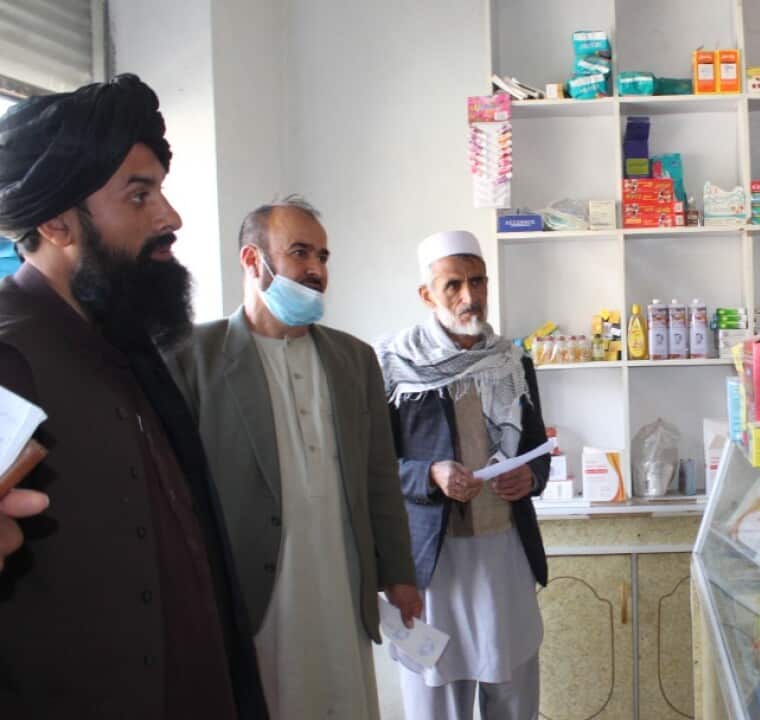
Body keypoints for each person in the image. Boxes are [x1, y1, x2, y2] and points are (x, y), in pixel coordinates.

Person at [0, 75, 267, 718]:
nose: (169, 217)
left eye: (160, 191)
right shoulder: (9, 354)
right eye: (138, 195)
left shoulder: (128, 344)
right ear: (56, 222)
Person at [166, 196, 421, 719]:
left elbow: (379, 474)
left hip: (339, 580)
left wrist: (398, 572)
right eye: (299, 253)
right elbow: (174, 491)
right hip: (252, 591)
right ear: (252, 260)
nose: (316, 270)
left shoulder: (354, 359)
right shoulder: (193, 355)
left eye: (323, 257)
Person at [376, 230, 549, 720]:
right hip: (433, 567)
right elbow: (374, 468)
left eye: (477, 282)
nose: (469, 297)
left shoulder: (512, 361)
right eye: (453, 285)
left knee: (512, 693)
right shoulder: (395, 365)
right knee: (436, 700)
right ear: (427, 295)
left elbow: (538, 448)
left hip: (503, 559)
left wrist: (530, 478)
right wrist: (430, 474)